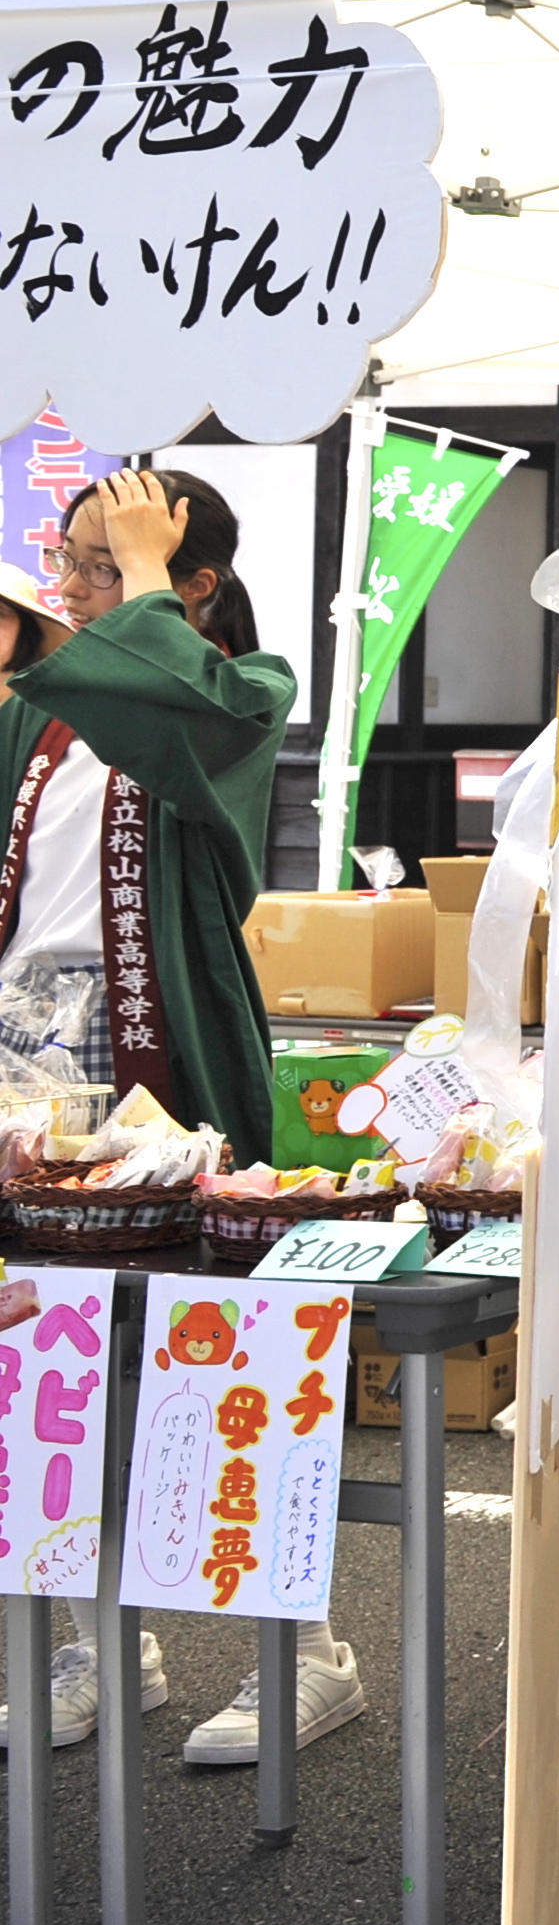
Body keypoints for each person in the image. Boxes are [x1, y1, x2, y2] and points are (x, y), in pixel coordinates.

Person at [0, 470, 309, 1760]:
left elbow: (179, 715)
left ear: (194, 585)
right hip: (25, 1050)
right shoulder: (42, 710)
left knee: (221, 1344)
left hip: (162, 1041)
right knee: (42, 1349)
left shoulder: (247, 689)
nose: (73, 589)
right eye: (72, 560)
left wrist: (139, 578)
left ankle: (305, 1652)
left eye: (104, 562)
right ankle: (96, 1643)